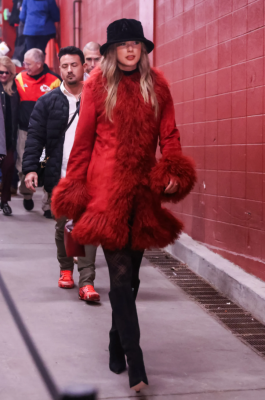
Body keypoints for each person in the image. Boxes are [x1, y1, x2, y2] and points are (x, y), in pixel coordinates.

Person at [51, 19, 196, 392]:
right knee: (117, 276)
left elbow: (170, 134)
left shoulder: (157, 85)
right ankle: (136, 361)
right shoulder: (98, 85)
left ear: (142, 49)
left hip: (143, 193)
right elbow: (82, 142)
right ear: (113, 51)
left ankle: (116, 339)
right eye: (123, 44)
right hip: (106, 193)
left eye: (136, 44)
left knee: (130, 279)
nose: (131, 50)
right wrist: (73, 186)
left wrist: (174, 167)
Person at [23, 46, 99, 302]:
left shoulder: (97, 98)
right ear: (59, 68)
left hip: (91, 176)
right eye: (64, 66)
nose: (69, 70)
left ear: (84, 66)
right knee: (63, 225)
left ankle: (87, 281)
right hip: (60, 174)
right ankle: (66, 268)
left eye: (74, 65)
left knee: (87, 227)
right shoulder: (48, 101)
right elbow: (35, 137)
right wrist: (31, 168)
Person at [15, 48, 61, 216]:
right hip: (24, 131)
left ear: (40, 64)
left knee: (49, 168)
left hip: (48, 133)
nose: (24, 66)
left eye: (28, 63)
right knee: (22, 165)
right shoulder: (19, 79)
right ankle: (27, 194)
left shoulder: (54, 81)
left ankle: (48, 205)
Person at [0, 57, 20, 216]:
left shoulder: (15, 89)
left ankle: (4, 201)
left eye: (7, 72)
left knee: (8, 170)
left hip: (9, 139)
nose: (4, 75)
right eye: (1, 72)